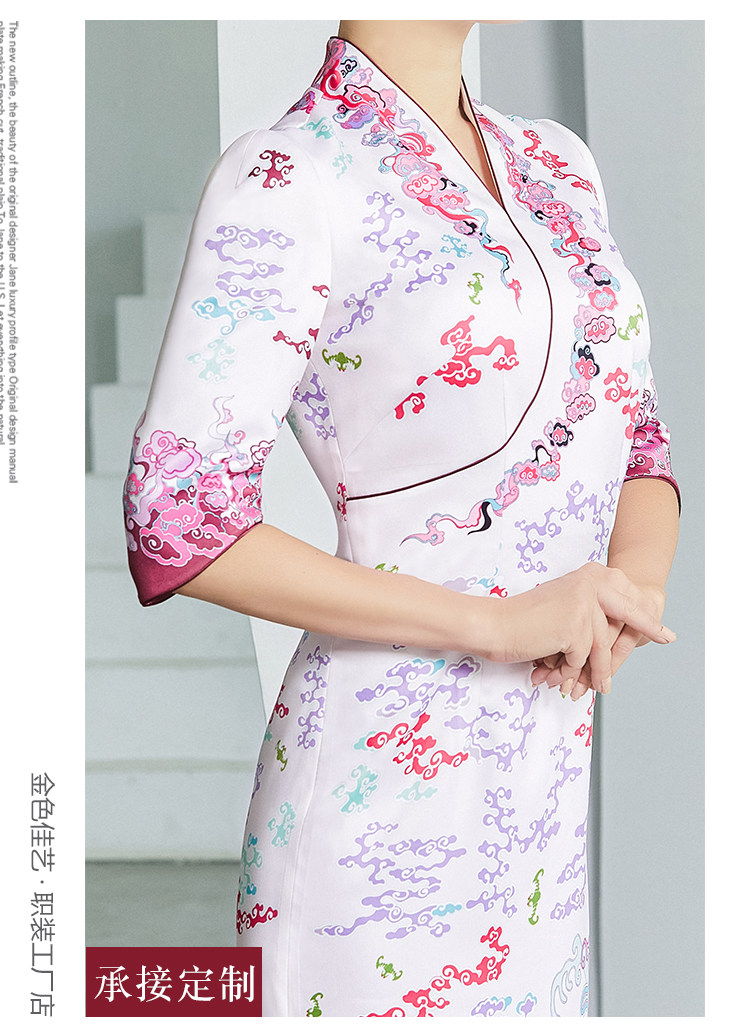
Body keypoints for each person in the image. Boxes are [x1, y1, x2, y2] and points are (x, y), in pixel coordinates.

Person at [122, 20, 679, 1018]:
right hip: (376, 799)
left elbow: (635, 428)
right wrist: (496, 623)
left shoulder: (557, 162)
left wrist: (630, 591)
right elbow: (178, 517)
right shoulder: (287, 177)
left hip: (542, 794)